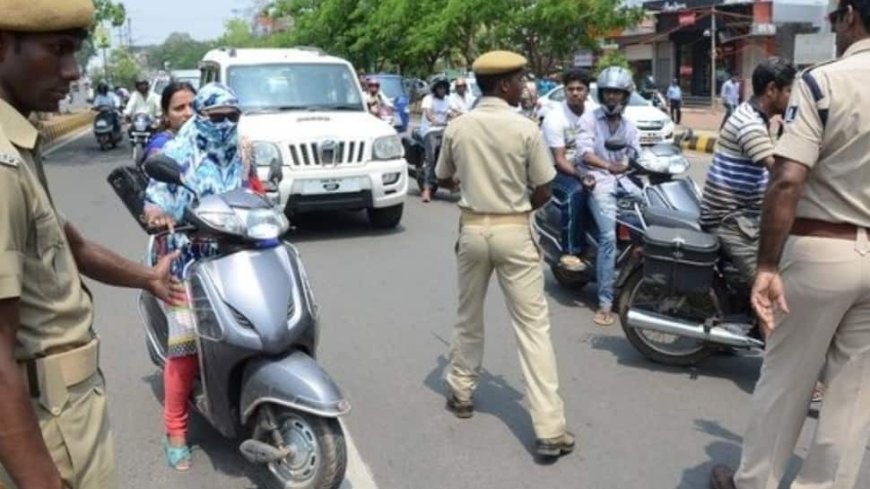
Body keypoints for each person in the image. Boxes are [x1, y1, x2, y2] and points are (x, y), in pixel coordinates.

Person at [0, 1, 179, 487]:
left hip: (64, 408)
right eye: (57, 50)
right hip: (45, 422)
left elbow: (68, 245)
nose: (73, 70)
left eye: (74, 52)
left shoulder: (17, 145)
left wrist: (149, 278)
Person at [709, 2, 870, 488]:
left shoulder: (825, 81)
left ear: (850, 18)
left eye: (836, 15)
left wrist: (766, 266)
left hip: (821, 250)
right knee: (853, 395)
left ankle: (754, 482)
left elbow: (785, 181)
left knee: (785, 382)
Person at [435, 50, 573, 459]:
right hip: (515, 229)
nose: (525, 86)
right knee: (533, 329)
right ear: (504, 85)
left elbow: (443, 177)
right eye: (521, 79)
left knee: (468, 316)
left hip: (473, 229)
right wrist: (517, 206)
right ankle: (549, 428)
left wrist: (472, 181)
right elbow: (545, 189)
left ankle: (461, 392)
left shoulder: (458, 126)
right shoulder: (526, 129)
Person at [142, 83, 258, 471]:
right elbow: (154, 198)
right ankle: (175, 429)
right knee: (186, 346)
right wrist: (157, 212)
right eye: (216, 117)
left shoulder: (243, 149)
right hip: (188, 261)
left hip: (239, 254)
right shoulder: (176, 152)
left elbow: (253, 189)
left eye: (231, 116)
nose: (225, 124)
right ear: (201, 117)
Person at [699, 57, 796, 286]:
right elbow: (782, 174)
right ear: (772, 89)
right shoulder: (750, 123)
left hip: (746, 214)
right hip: (730, 219)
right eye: (789, 91)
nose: (793, 99)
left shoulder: (757, 117)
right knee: (771, 287)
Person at [576, 66, 642, 326]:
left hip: (624, 181)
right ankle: (605, 301)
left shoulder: (629, 126)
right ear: (601, 95)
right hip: (599, 180)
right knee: (608, 237)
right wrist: (608, 166)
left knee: (650, 221)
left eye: (617, 93)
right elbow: (584, 152)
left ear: (626, 96)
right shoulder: (590, 119)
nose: (612, 98)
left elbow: (637, 153)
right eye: (608, 93)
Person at [541, 67, 594, 271]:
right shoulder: (555, 118)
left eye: (580, 89)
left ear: (587, 91)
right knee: (576, 192)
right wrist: (582, 175)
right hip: (558, 171)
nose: (575, 93)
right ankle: (570, 251)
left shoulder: (593, 111)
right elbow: (560, 159)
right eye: (570, 89)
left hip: (589, 165)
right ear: (564, 91)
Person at [419, 76, 455, 203]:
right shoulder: (428, 99)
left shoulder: (448, 100)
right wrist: (433, 120)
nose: (442, 89)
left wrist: (462, 116)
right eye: (440, 87)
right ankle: (427, 189)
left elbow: (453, 112)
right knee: (431, 158)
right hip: (430, 130)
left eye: (444, 87)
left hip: (444, 130)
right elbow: (428, 112)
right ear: (435, 88)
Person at [144, 81, 196, 158]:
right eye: (179, 108)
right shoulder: (161, 145)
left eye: (193, 106)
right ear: (166, 114)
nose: (189, 113)